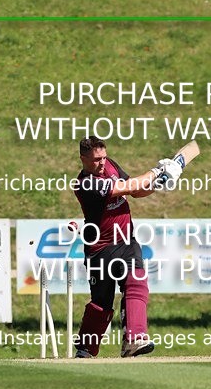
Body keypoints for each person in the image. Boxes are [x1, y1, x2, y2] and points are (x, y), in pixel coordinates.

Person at [71, 136, 182, 358]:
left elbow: (135, 191)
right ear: (83, 159)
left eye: (103, 157)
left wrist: (158, 184)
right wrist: (157, 171)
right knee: (101, 304)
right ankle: (85, 349)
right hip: (100, 250)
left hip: (126, 241)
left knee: (137, 281)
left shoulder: (110, 165)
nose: (101, 163)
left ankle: (134, 339)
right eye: (96, 160)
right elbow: (128, 186)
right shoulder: (85, 184)